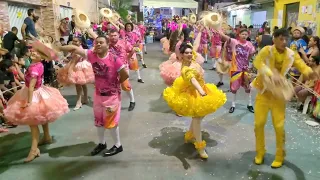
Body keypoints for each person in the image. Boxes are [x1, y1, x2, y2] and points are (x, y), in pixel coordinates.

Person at [251, 28, 316, 168]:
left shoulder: (292, 54)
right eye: (281, 39)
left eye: (286, 39)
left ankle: (280, 155)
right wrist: (270, 73)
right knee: (258, 124)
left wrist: (309, 72)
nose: (284, 42)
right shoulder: (266, 50)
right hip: (263, 93)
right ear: (274, 39)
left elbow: (302, 66)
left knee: (279, 127)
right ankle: (260, 152)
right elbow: (257, 63)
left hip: (279, 95)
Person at [58, 31, 130, 157]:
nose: (98, 45)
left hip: (112, 96)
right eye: (96, 43)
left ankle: (118, 145)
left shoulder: (114, 59)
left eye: (101, 43)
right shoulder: (92, 55)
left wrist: (116, 83)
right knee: (99, 121)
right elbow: (74, 48)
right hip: (98, 95)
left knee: (111, 123)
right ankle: (102, 143)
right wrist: (58, 47)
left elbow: (125, 73)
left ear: (108, 45)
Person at [4, 42, 69, 162]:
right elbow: (26, 80)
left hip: (33, 94)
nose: (33, 52)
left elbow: (31, 86)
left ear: (42, 57)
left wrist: (29, 102)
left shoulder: (36, 67)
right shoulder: (35, 64)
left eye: (37, 52)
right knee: (42, 115)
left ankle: (34, 150)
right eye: (33, 50)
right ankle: (47, 137)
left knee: (33, 123)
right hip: (36, 92)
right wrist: (17, 67)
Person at [163, 42, 227, 159]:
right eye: (186, 53)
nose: (189, 54)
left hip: (202, 89)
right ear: (181, 55)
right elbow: (192, 80)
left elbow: (196, 46)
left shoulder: (193, 62)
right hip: (193, 93)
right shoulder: (186, 69)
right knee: (197, 118)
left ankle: (190, 135)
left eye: (190, 52)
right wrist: (200, 91)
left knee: (200, 116)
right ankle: (200, 146)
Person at [220, 29, 255, 113]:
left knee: (248, 87)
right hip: (235, 69)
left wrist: (247, 63)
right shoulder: (234, 42)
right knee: (234, 88)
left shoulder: (249, 45)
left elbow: (251, 54)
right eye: (242, 34)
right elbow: (226, 38)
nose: (244, 35)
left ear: (248, 35)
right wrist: (219, 30)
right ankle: (233, 105)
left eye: (246, 34)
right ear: (239, 34)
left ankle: (249, 104)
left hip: (245, 69)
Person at [57, 33, 94, 110]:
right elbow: (71, 58)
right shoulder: (75, 48)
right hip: (78, 65)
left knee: (78, 84)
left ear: (80, 42)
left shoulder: (78, 49)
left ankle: (79, 101)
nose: (74, 42)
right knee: (82, 83)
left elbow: (74, 61)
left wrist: (69, 70)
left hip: (79, 67)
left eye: (76, 41)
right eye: (73, 41)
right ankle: (85, 98)